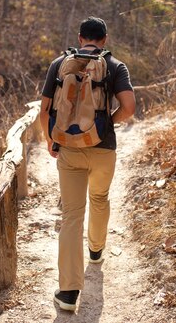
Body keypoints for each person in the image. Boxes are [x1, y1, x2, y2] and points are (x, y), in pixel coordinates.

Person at [39, 16, 136, 311]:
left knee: (71, 215)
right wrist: (108, 124)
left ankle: (68, 293)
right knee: (99, 197)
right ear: (104, 40)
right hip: (103, 147)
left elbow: (44, 110)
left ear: (80, 38)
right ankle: (96, 250)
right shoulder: (116, 66)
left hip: (68, 148)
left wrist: (50, 140)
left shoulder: (59, 64)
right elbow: (129, 108)